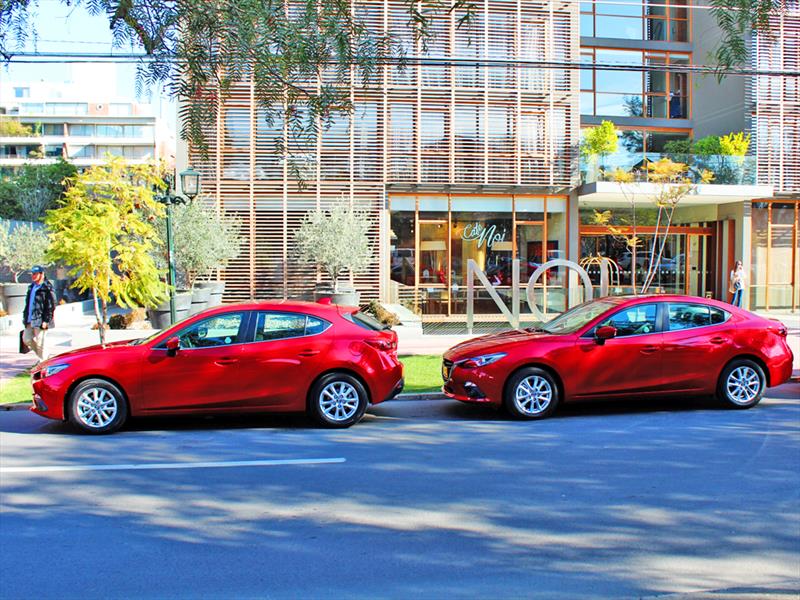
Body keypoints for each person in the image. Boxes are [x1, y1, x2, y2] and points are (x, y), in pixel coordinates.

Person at [22, 265, 57, 363]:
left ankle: (43, 362)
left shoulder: (47, 287)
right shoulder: (31, 287)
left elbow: (51, 305)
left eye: (35, 274)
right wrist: (25, 318)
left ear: (42, 274)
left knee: (41, 343)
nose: (33, 276)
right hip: (30, 319)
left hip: (40, 319)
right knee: (26, 339)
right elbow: (28, 304)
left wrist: (46, 320)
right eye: (32, 274)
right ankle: (45, 358)